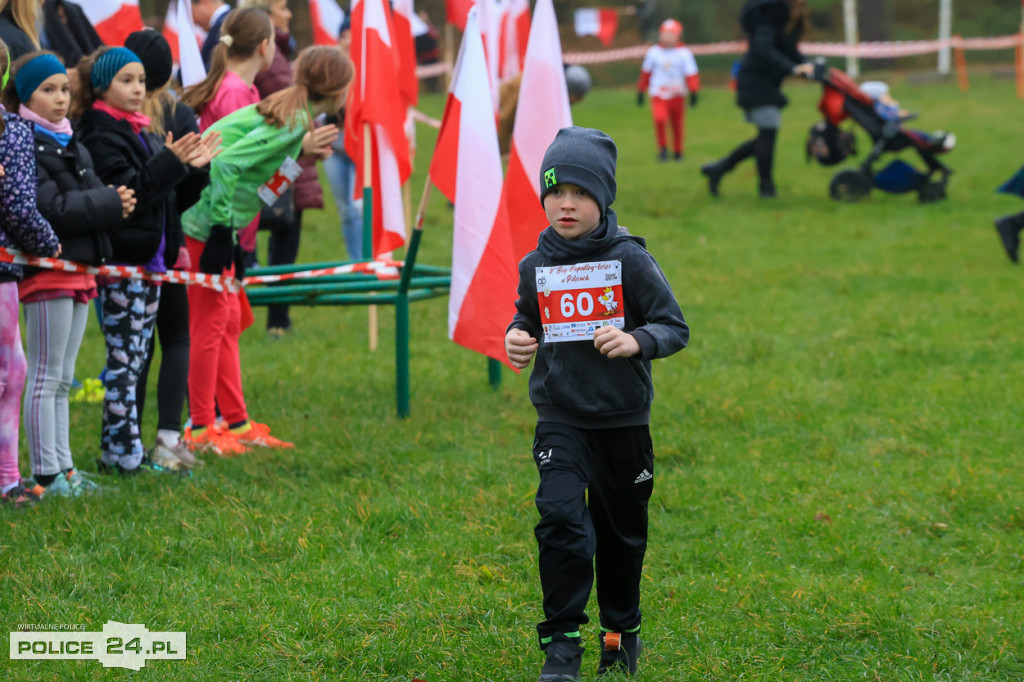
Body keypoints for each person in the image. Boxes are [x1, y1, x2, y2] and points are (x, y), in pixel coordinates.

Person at [504, 126, 689, 680]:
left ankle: (620, 628)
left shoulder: (629, 259)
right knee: (560, 517)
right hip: (560, 416)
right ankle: (561, 645)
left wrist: (637, 340)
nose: (566, 203)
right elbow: (526, 316)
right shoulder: (536, 263)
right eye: (556, 191)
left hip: (622, 420)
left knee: (620, 533)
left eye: (581, 193)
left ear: (603, 198)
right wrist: (517, 335)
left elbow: (673, 326)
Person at [179, 45, 350, 455]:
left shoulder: (295, 116)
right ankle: (201, 428)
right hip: (204, 224)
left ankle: (236, 422)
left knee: (232, 318)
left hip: (224, 225)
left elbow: (265, 188)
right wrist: (222, 227)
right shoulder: (291, 120)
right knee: (210, 322)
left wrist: (301, 157)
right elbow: (223, 164)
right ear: (339, 90)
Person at [74, 46, 219, 475]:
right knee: (123, 364)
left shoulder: (140, 129)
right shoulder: (101, 133)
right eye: (126, 81)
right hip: (125, 261)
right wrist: (169, 163)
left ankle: (128, 451)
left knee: (135, 359)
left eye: (141, 81)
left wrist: (194, 171)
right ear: (102, 86)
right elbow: (129, 197)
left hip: (151, 264)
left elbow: (167, 203)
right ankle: (119, 455)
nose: (139, 89)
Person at [3, 51, 134, 495]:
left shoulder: (69, 139)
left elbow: (90, 195)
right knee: (44, 374)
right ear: (24, 95)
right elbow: (50, 208)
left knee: (63, 375)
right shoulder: (27, 142)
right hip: (47, 270)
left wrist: (107, 203)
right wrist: (110, 204)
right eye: (47, 90)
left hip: (79, 269)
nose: (60, 99)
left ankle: (65, 468)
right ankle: (45, 474)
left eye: (64, 89)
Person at [125, 29, 206, 471]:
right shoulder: (181, 113)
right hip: (167, 246)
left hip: (127, 247)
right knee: (175, 337)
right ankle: (169, 437)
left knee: (135, 345)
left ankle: (129, 437)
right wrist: (174, 207)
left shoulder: (112, 115)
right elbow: (194, 179)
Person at [0, 38, 61, 506]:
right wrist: (49, 244)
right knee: (9, 370)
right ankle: (5, 478)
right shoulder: (12, 131)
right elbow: (19, 207)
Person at [244, 0, 323, 337]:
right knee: (278, 233)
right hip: (282, 162)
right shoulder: (272, 58)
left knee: (283, 234)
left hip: (292, 162)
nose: (289, 13)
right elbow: (286, 99)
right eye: (282, 7)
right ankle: (274, 315)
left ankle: (277, 315)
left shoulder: (281, 51)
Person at [700, 0, 813, 198]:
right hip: (755, 83)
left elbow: (789, 50)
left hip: (767, 85)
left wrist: (807, 65)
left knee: (765, 137)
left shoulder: (787, 21)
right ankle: (766, 188)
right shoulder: (769, 19)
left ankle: (720, 169)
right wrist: (792, 68)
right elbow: (763, 50)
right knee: (767, 135)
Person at [323, 16, 362, 260]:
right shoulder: (329, 66)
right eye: (345, 34)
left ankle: (364, 260)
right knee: (345, 211)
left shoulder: (367, 65)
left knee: (357, 206)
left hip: (359, 145)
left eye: (353, 34)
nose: (349, 40)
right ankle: (354, 258)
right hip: (334, 145)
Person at [636, 19, 699, 162]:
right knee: (660, 119)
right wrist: (641, 90)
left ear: (678, 35)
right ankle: (663, 149)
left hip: (677, 94)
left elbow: (691, 74)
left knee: (677, 123)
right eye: (665, 34)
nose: (667, 37)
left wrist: (694, 90)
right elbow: (646, 73)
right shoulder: (654, 52)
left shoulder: (684, 53)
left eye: (671, 34)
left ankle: (678, 150)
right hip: (659, 93)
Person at [192, 0, 231, 70]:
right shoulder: (228, 21)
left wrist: (177, 73)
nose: (194, 21)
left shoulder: (222, 26)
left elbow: (212, 68)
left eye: (192, 13)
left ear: (205, 1)